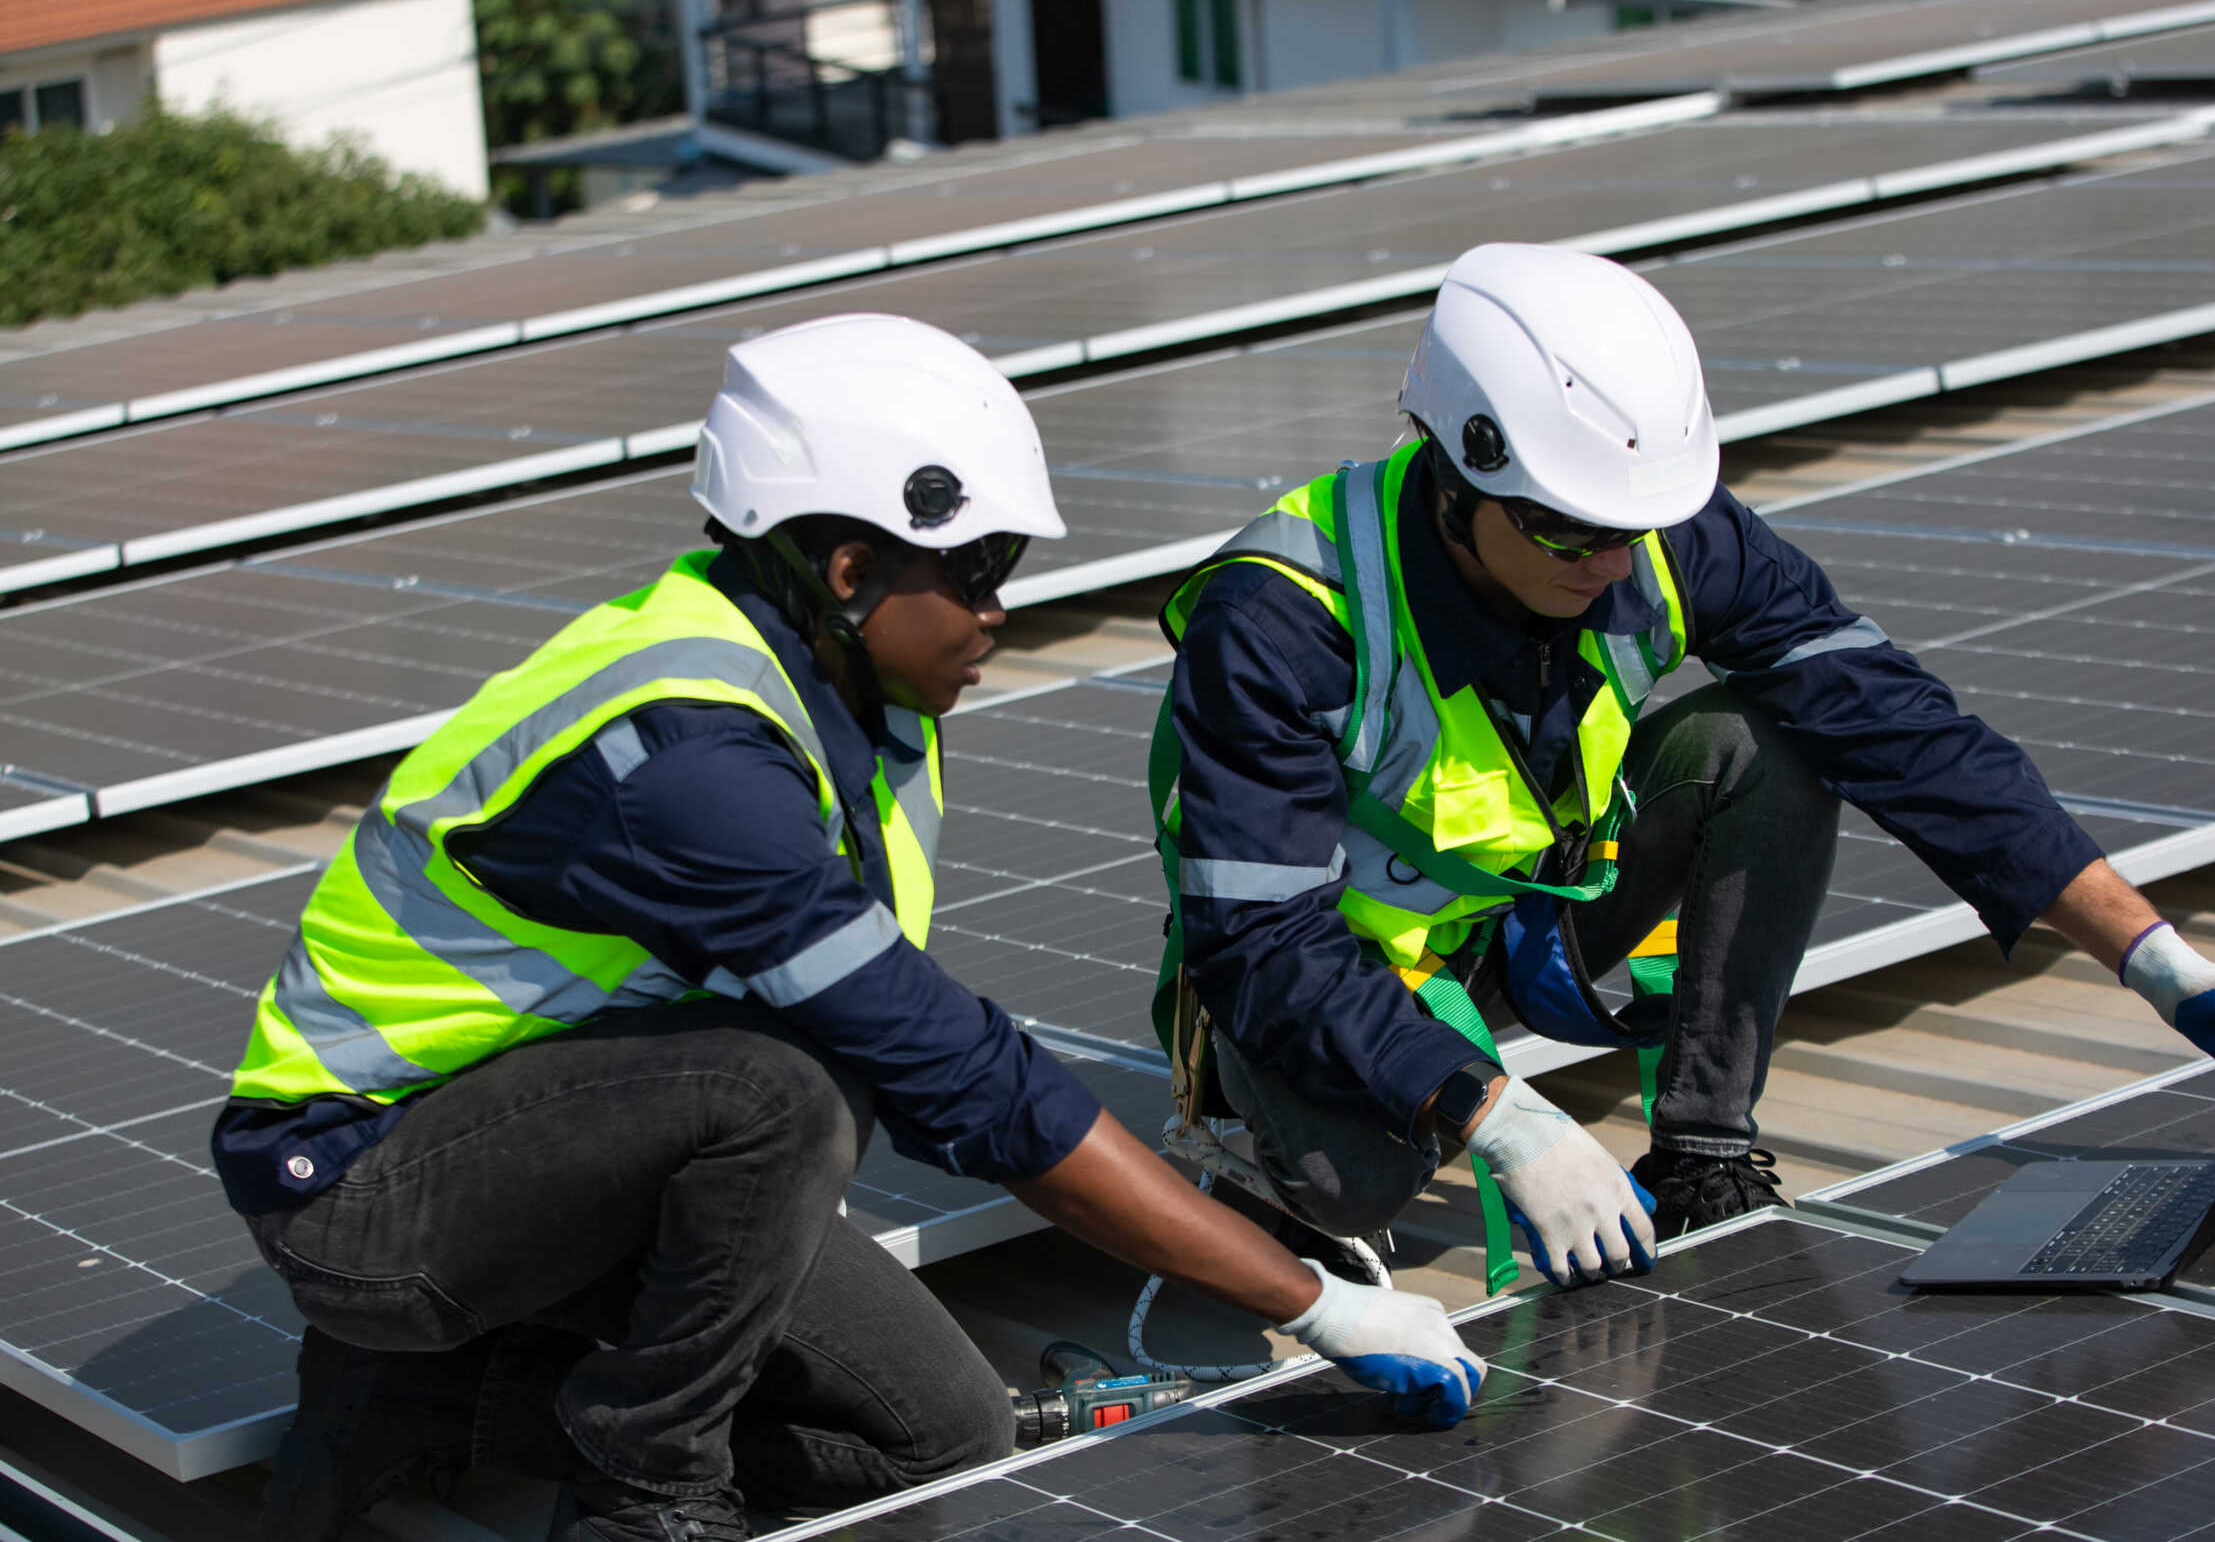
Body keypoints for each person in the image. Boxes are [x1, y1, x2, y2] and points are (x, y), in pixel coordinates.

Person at [213, 315, 1488, 1542]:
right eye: (980, 570)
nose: (1000, 611)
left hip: (571, 1151)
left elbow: (936, 1079)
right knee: (783, 1088)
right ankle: (643, 1493)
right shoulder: (686, 759)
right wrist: (1311, 1302)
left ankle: (436, 1404)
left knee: (943, 1437)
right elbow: (956, 1073)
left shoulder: (849, 699)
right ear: (847, 569)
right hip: (363, 1192)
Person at [1153, 242, 2215, 1289]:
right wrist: (1498, 1112)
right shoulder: (1282, 615)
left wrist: (2158, 962)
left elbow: (1900, 730)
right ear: (1457, 471)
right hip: (1322, 978)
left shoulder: (1656, 531)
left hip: (1518, 928)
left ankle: (1702, 1150)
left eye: (1630, 531)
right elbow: (1260, 948)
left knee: (1770, 743)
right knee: (1353, 1184)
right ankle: (1264, 1156)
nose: (1610, 565)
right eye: (1567, 530)